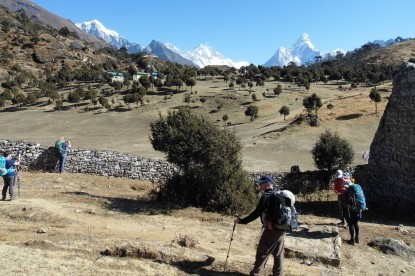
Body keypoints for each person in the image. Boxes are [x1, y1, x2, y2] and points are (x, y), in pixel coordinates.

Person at [234, 175, 285, 276]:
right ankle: (278, 273)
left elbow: (256, 213)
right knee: (278, 253)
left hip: (271, 230)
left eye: (261, 183)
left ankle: (256, 274)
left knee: (262, 252)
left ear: (267, 184)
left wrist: (242, 221)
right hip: (281, 228)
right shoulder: (278, 195)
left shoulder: (266, 196)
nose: (259, 185)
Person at [342, 179, 361, 245]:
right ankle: (357, 238)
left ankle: (352, 240)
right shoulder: (356, 191)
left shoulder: (346, 192)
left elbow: (344, 203)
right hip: (357, 210)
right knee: (356, 223)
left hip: (349, 211)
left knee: (350, 224)